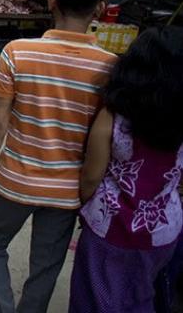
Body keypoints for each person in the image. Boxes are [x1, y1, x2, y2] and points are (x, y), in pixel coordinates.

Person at [0, 0, 117, 313]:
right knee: (47, 265)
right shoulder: (111, 68)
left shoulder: (17, 53)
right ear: (100, 7)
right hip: (66, 191)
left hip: (14, 181)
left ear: (51, 2)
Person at [69, 27, 183, 312]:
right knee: (141, 296)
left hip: (111, 229)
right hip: (164, 232)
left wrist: (86, 206)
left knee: (95, 298)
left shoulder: (114, 115)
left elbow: (91, 177)